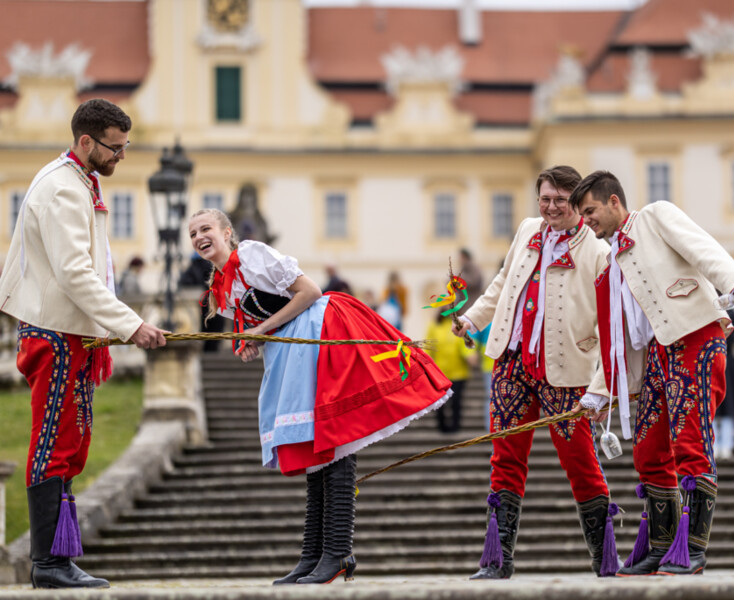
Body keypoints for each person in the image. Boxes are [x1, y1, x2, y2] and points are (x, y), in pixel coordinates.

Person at [187, 208, 452, 584]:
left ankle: (338, 551)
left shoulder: (251, 255)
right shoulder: (222, 287)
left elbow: (309, 292)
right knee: (317, 446)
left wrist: (260, 329)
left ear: (227, 231)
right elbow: (263, 327)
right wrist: (250, 342)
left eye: (206, 228)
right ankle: (313, 555)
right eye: (193, 232)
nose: (199, 236)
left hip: (322, 330)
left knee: (335, 436)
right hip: (293, 349)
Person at [0, 99, 167, 589]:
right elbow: (75, 273)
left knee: (68, 444)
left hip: (70, 332)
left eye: (125, 147)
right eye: (115, 149)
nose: (121, 157)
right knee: (53, 443)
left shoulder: (77, 182)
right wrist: (130, 324)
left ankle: (57, 559)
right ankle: (48, 563)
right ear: (86, 141)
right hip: (55, 332)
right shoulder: (60, 188)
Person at [570, 170, 734, 576]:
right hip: (657, 356)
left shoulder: (656, 216)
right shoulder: (610, 262)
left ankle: (693, 550)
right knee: (649, 449)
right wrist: (602, 393)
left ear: (614, 201)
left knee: (691, 440)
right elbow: (617, 340)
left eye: (591, 211)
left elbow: (702, 247)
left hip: (696, 337)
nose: (588, 221)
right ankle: (662, 546)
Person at [452, 165, 620, 579]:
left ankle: (604, 558)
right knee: (505, 457)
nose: (550, 207)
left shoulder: (597, 250)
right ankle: (497, 560)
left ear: (578, 204)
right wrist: (472, 319)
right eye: (545, 198)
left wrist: (602, 388)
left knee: (579, 460)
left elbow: (608, 325)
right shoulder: (528, 229)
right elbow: (503, 282)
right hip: (512, 363)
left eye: (560, 200)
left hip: (566, 370)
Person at [426, 311, 478, 433]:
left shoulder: (458, 325)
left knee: (456, 401)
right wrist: (425, 364)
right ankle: (442, 427)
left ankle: (455, 427)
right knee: (440, 403)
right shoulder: (434, 326)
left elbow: (464, 344)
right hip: (440, 373)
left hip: (458, 373)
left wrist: (470, 355)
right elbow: (428, 346)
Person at [714, 309, 734, 460]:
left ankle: (723, 446)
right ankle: (718, 446)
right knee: (716, 408)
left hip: (721, 362)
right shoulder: (731, 314)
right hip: (718, 362)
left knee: (726, 407)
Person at [178, 251, 225, 352]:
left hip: (200, 308)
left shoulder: (190, 271)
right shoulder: (212, 268)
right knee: (214, 336)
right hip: (214, 307)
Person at [457, 248, 483, 313]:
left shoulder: (472, 267)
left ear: (464, 257)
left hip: (471, 302)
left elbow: (474, 281)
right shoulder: (464, 268)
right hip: (466, 303)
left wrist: (459, 280)